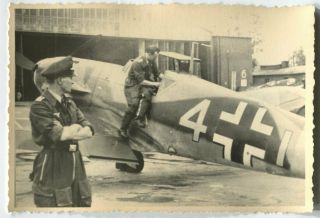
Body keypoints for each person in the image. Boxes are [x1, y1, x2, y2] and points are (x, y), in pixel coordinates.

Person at [29, 56, 94, 207]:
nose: (73, 81)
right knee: (56, 204)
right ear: (59, 80)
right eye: (70, 78)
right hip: (53, 162)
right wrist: (74, 129)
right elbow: (60, 134)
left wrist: (72, 130)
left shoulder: (70, 103)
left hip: (76, 162)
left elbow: (89, 130)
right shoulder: (40, 106)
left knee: (81, 201)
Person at [119, 46, 161, 138]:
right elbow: (141, 81)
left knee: (148, 95)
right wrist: (156, 84)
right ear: (149, 54)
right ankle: (123, 129)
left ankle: (140, 118)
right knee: (134, 105)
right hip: (133, 85)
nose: (156, 58)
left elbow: (157, 73)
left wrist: (161, 79)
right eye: (155, 56)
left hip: (143, 84)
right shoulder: (138, 63)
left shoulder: (152, 60)